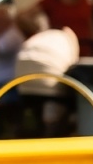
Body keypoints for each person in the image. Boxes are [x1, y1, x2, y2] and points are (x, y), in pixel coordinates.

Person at [13, 7, 79, 135]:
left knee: (37, 113)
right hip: (51, 78)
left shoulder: (37, 39)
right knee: (64, 106)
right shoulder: (65, 35)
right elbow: (73, 62)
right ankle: (55, 135)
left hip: (24, 80)